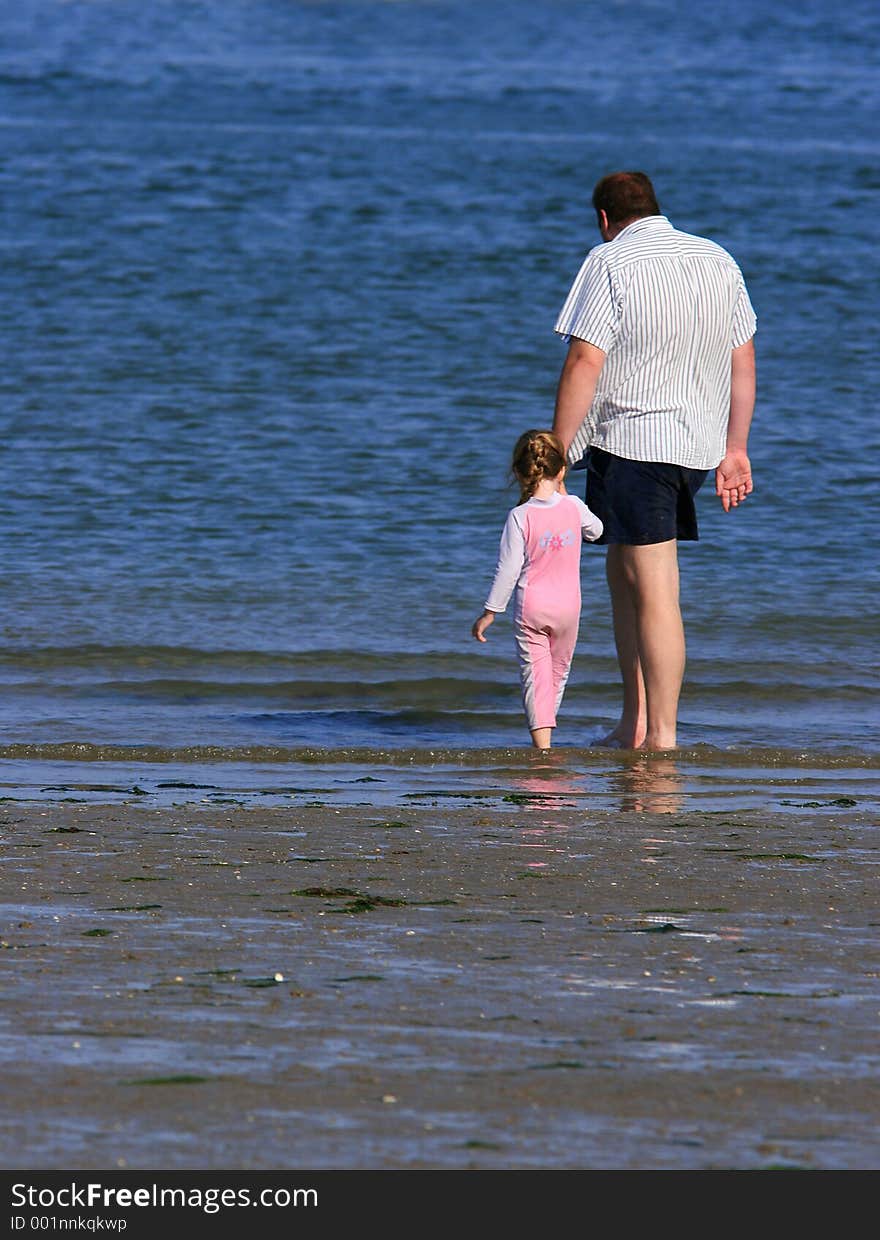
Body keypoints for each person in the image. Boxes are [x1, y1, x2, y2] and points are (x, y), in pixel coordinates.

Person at [552, 171, 757, 751]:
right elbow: (742, 359)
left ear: (603, 217)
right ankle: (634, 723)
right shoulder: (717, 259)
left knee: (655, 587)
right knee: (624, 577)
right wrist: (735, 448)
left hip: (638, 442)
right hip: (692, 446)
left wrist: (557, 452)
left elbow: (584, 362)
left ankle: (662, 738)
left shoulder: (609, 260)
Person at [472, 429, 603, 749]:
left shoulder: (520, 516)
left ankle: (542, 748)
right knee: (558, 674)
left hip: (532, 605)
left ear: (518, 472)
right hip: (569, 607)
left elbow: (508, 569)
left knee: (535, 676)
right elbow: (597, 531)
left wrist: (490, 612)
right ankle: (546, 740)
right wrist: (567, 495)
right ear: (561, 471)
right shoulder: (573, 506)